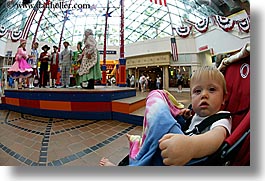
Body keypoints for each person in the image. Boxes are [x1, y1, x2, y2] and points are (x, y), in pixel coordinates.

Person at [99, 66, 231, 166]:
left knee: (156, 95)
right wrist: (186, 118)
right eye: (197, 91)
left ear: (224, 98)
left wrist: (191, 146)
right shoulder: (195, 116)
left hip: (187, 156)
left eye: (212, 89)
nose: (204, 95)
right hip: (172, 146)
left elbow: (216, 138)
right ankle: (140, 147)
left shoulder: (222, 119)